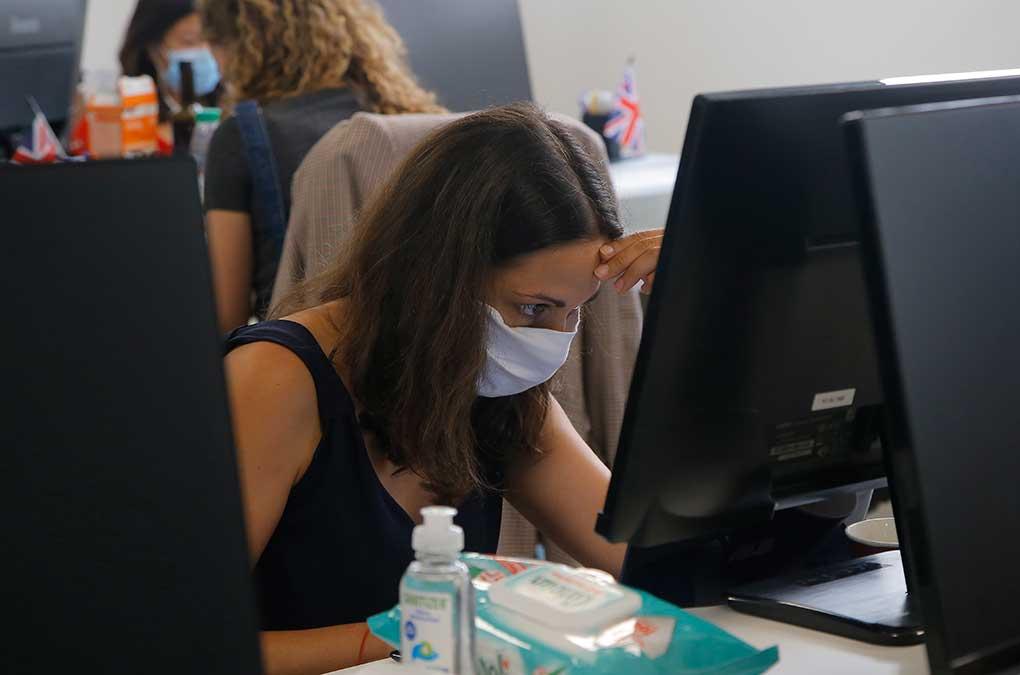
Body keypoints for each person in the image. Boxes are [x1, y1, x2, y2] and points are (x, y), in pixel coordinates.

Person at [225, 103, 662, 674]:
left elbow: (654, 560)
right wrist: (423, 633)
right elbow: (179, 643)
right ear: (438, 275)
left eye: (572, 314)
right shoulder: (275, 379)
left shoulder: (497, 392)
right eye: (532, 308)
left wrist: (702, 301)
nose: (550, 341)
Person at [200, 0, 444, 333]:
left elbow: (226, 317)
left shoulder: (242, 137)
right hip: (424, 346)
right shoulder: (408, 117)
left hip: (307, 361)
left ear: (235, 46)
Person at [118, 0, 223, 128]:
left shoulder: (233, 111)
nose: (205, 50)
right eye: (189, 41)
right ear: (154, 49)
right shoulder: (126, 116)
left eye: (212, 40)